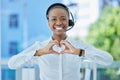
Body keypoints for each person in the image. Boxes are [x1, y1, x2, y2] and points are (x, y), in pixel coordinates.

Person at [8, 3, 113, 80]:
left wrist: (79, 52)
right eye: (54, 19)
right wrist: (40, 52)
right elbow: (12, 64)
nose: (59, 22)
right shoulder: (40, 47)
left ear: (69, 21)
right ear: (48, 23)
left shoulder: (78, 46)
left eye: (63, 19)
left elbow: (108, 60)